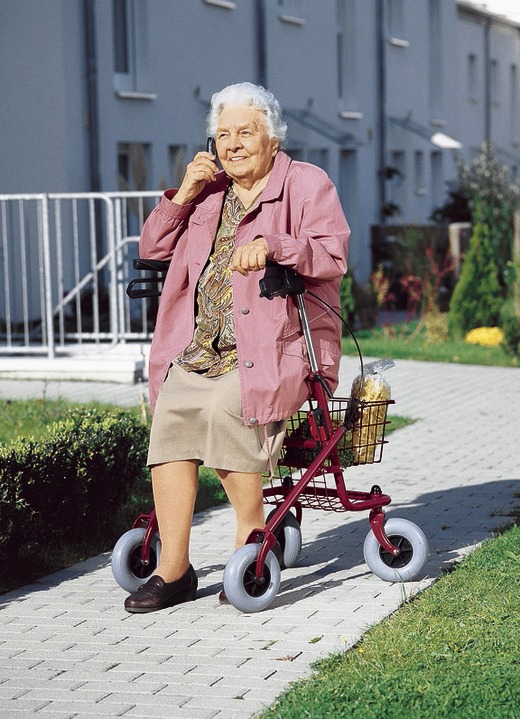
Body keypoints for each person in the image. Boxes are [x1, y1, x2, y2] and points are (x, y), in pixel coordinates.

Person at [124, 82, 350, 613]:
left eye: (246, 132)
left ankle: (251, 543)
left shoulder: (305, 184)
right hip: (202, 347)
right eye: (223, 134)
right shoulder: (208, 191)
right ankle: (173, 569)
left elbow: (332, 255)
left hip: (280, 346)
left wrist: (275, 247)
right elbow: (153, 249)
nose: (233, 143)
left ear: (273, 139)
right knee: (175, 415)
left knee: (230, 407)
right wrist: (182, 195)